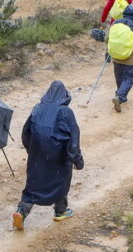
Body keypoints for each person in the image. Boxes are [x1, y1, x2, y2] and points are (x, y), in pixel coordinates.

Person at [13, 80, 83, 229]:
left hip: (37, 154)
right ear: (64, 95)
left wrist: (30, 149)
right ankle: (60, 211)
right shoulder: (66, 112)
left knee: (33, 183)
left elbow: (25, 132)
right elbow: (74, 140)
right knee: (61, 181)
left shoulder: (37, 108)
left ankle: (22, 211)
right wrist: (77, 160)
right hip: (59, 156)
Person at [109, 4, 133, 112]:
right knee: (128, 79)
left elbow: (107, 38)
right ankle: (120, 96)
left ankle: (120, 95)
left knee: (119, 76)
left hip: (116, 56)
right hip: (129, 58)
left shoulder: (115, 23)